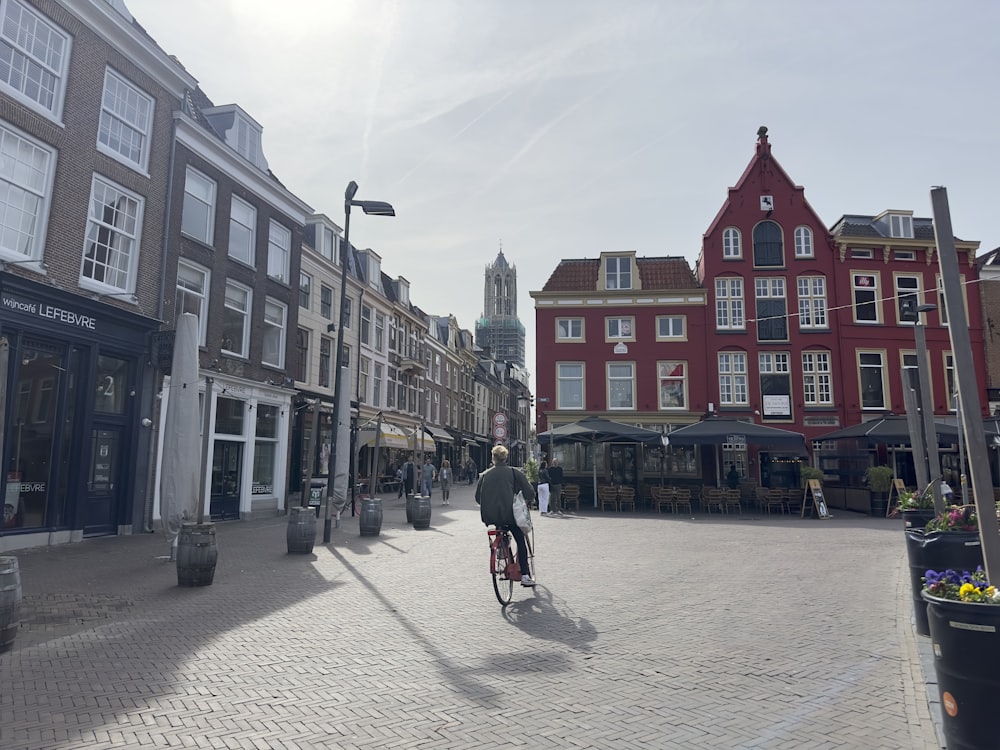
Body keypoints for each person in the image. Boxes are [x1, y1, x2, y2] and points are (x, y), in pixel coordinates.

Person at [476, 445, 537, 586]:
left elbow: (477, 498)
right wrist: (529, 499)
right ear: (506, 458)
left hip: (491, 517)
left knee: (500, 529)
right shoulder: (514, 473)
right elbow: (529, 492)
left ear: (493, 458)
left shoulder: (484, 475)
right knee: (521, 542)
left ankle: (501, 551)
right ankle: (525, 576)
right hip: (511, 516)